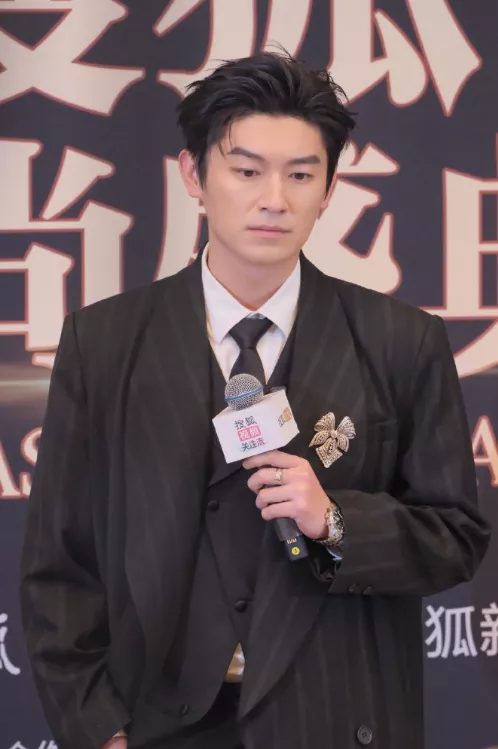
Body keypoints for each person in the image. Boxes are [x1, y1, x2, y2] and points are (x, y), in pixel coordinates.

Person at [20, 50, 490, 749]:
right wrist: (99, 730)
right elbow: (59, 565)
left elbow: (456, 537)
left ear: (329, 188)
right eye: (247, 171)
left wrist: (335, 521)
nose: (275, 199)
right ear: (194, 175)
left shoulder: (400, 340)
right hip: (160, 723)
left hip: (335, 715)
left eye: (301, 174)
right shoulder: (106, 343)